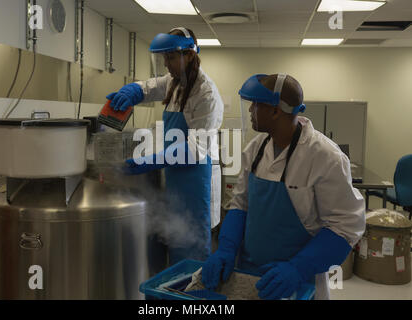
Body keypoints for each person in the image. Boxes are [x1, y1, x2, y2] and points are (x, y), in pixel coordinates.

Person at [202, 73, 365, 300]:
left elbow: (345, 227)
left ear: (275, 110)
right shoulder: (256, 148)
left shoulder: (325, 156)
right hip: (247, 272)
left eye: (255, 105)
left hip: (296, 280)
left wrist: (298, 268)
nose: (250, 111)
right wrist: (226, 249)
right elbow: (240, 204)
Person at [106, 27, 224, 266]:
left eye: (171, 57)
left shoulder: (206, 93)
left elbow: (194, 149)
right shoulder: (174, 81)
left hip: (195, 179)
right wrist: (131, 92)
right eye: (164, 58)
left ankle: (193, 298)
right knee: (175, 236)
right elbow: (150, 87)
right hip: (174, 174)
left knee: (192, 246)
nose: (166, 64)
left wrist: (149, 161)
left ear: (189, 55)